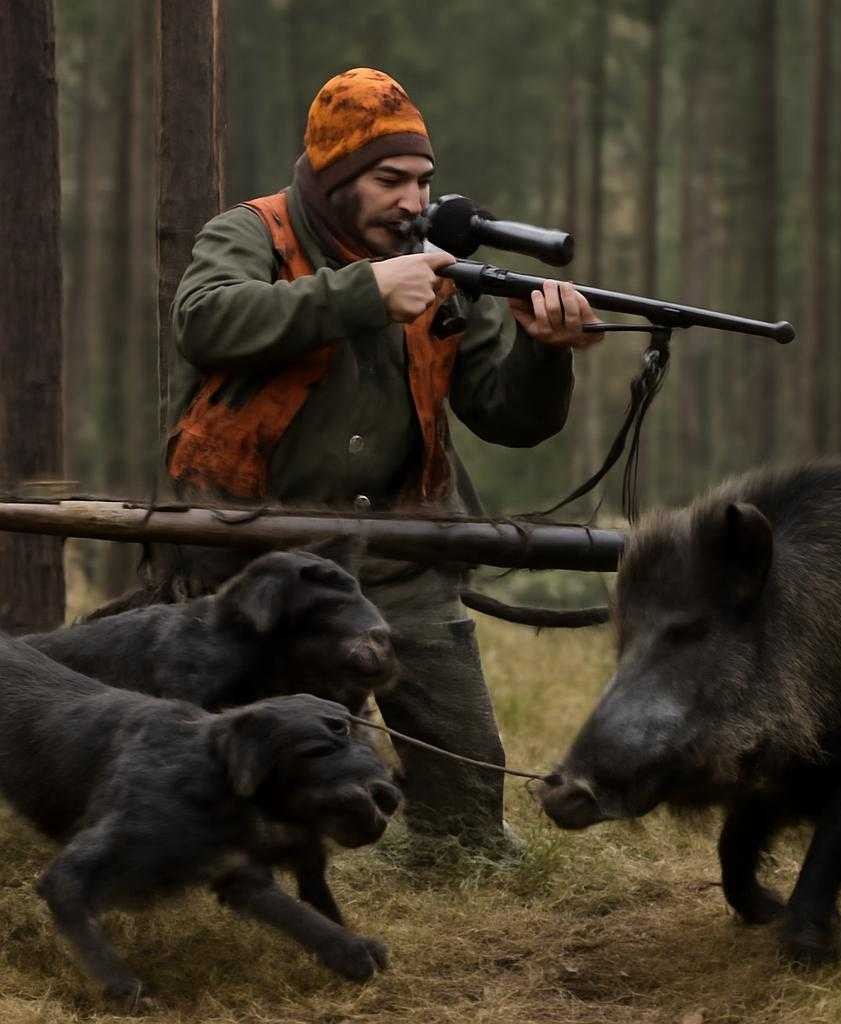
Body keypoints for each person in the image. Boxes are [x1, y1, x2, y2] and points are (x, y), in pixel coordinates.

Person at [162, 68, 604, 854]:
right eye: (388, 180)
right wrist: (359, 293)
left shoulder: (435, 269)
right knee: (247, 798)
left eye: (422, 181)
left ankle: (444, 858)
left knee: (471, 826)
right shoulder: (250, 232)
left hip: (404, 559)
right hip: (257, 565)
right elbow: (204, 320)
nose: (412, 201)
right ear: (334, 183)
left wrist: (546, 355)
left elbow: (509, 417)